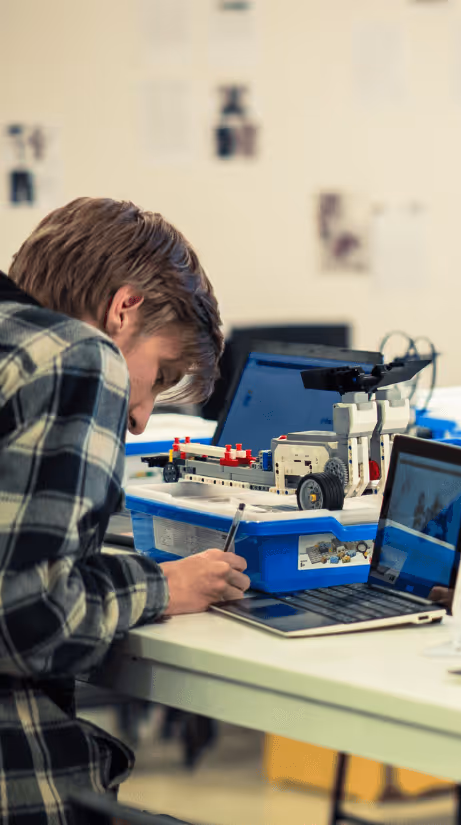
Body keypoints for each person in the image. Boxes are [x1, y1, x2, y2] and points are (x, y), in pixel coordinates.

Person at [0, 197, 250, 823]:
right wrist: (161, 585)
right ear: (123, 309)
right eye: (160, 374)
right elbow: (29, 619)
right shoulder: (75, 356)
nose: (140, 419)